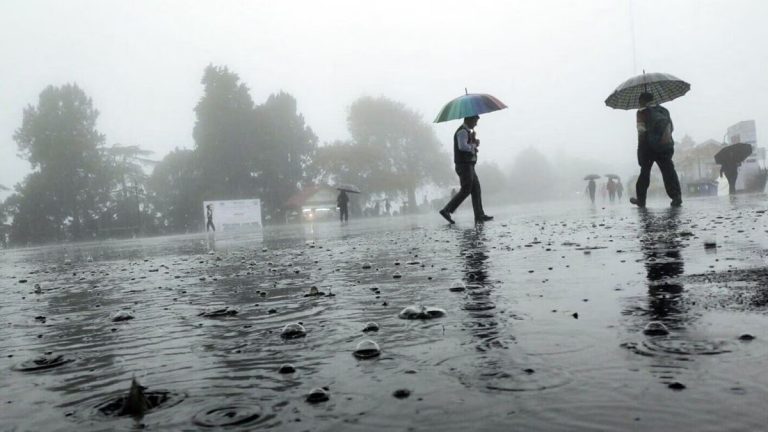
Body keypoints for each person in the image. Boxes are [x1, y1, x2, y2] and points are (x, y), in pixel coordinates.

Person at [630, 92, 682, 208]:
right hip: (664, 147)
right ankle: (676, 197)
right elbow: (671, 128)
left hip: (648, 148)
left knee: (645, 173)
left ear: (643, 100)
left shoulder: (641, 112)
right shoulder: (663, 110)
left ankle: (641, 200)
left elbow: (641, 131)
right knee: (669, 171)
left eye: (640, 101)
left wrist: (640, 150)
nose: (639, 103)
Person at [439, 115, 493, 224]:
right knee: (466, 189)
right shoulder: (462, 132)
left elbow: (467, 146)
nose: (476, 124)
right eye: (475, 121)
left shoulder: (467, 132)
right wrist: (473, 145)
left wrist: (473, 142)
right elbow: (462, 147)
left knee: (476, 189)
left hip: (469, 165)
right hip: (464, 165)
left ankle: (479, 215)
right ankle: (446, 210)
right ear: (469, 119)